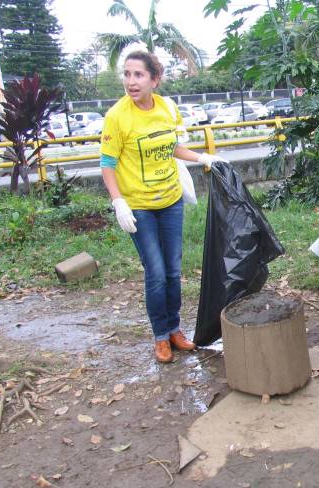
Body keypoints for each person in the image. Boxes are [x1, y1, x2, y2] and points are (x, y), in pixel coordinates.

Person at [100, 51, 226, 363]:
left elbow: (172, 146)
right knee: (155, 272)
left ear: (154, 79)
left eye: (138, 75)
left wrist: (203, 158)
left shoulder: (168, 108)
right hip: (139, 207)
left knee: (172, 270)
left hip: (170, 201)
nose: (131, 81)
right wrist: (119, 202)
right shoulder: (117, 116)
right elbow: (107, 164)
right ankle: (160, 336)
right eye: (127, 74)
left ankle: (174, 330)